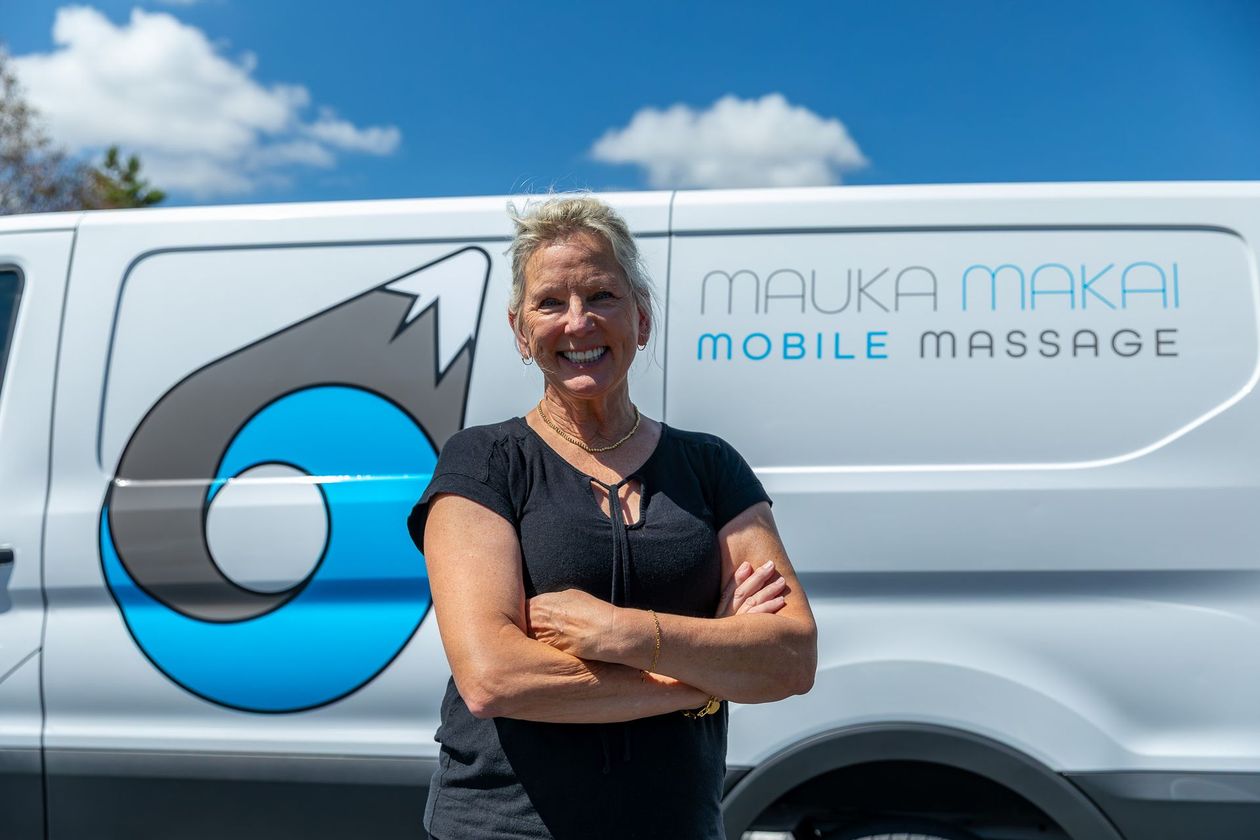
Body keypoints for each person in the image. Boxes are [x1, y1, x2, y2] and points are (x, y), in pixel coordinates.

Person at [407, 195, 817, 840]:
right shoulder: (485, 460)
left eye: (602, 295)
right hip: (502, 827)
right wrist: (705, 674)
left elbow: (790, 658)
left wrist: (619, 631)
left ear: (642, 318)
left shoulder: (711, 465)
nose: (578, 322)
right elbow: (493, 677)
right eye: (550, 303)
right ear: (520, 331)